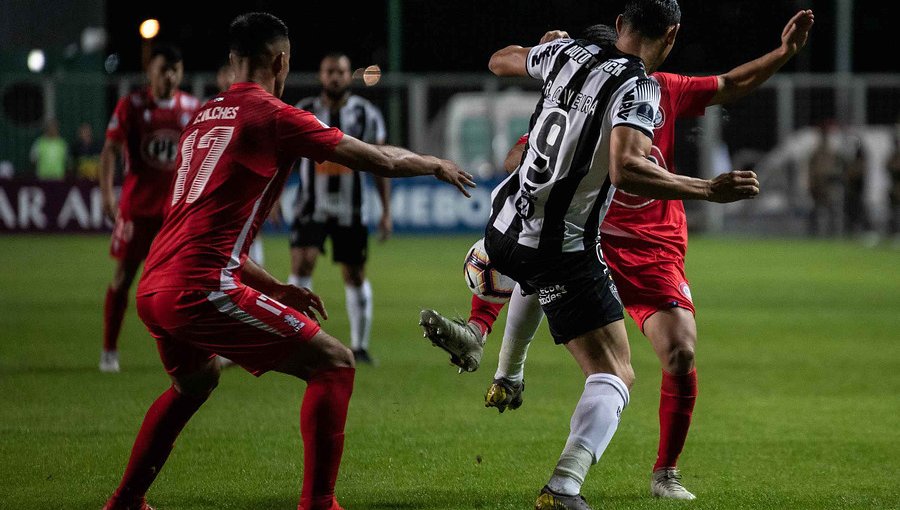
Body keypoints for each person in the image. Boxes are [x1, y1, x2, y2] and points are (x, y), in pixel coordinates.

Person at [420, 9, 813, 503]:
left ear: (621, 22)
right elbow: (625, 167)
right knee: (609, 367)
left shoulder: (571, 59)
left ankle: (656, 468)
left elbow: (503, 64)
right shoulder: (636, 87)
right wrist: (709, 189)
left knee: (671, 346)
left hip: (622, 244)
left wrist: (782, 54)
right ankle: (562, 480)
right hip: (580, 241)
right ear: (670, 34)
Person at [101, 12, 474, 510]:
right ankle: (318, 503)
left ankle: (126, 500)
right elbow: (374, 158)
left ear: (233, 62)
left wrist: (274, 286)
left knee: (196, 381)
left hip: (156, 284)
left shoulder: (202, 118)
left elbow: (202, 230)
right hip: (199, 286)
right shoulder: (272, 115)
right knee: (335, 363)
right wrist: (434, 163)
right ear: (280, 61)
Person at [98, 43, 200, 373]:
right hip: (138, 210)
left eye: (174, 70)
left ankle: (196, 351)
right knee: (124, 277)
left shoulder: (193, 108)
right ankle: (109, 350)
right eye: (162, 70)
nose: (169, 76)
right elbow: (110, 150)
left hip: (175, 214)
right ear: (150, 73)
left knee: (186, 284)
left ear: (181, 73)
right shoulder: (132, 105)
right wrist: (107, 195)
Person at [288, 52, 391, 364]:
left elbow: (381, 163)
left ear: (350, 76)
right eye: (330, 71)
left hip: (352, 209)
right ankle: (295, 341)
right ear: (321, 76)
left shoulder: (367, 114)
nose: (335, 77)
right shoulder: (304, 111)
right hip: (310, 206)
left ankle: (359, 347)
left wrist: (386, 210)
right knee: (302, 265)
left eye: (341, 72)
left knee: (355, 274)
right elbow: (284, 159)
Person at [807, 122, 843, 236]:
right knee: (820, 211)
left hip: (829, 186)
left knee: (833, 211)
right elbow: (811, 171)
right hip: (819, 187)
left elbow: (839, 169)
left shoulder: (832, 152)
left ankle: (834, 234)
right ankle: (819, 233)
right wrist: (811, 184)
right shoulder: (816, 153)